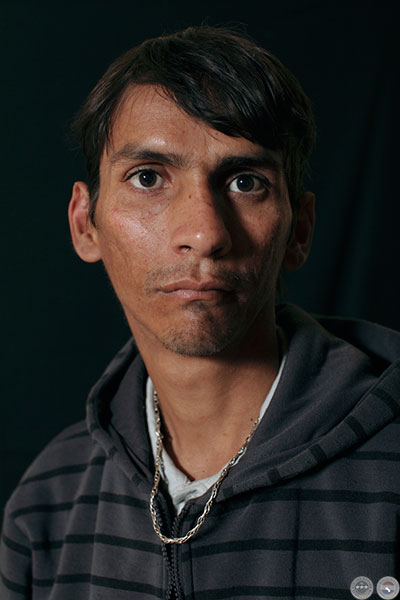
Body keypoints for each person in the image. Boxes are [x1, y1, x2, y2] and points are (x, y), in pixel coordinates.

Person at [1, 25, 400, 600]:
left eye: (245, 182)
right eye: (148, 178)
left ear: (300, 230)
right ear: (85, 223)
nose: (205, 233)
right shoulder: (47, 505)